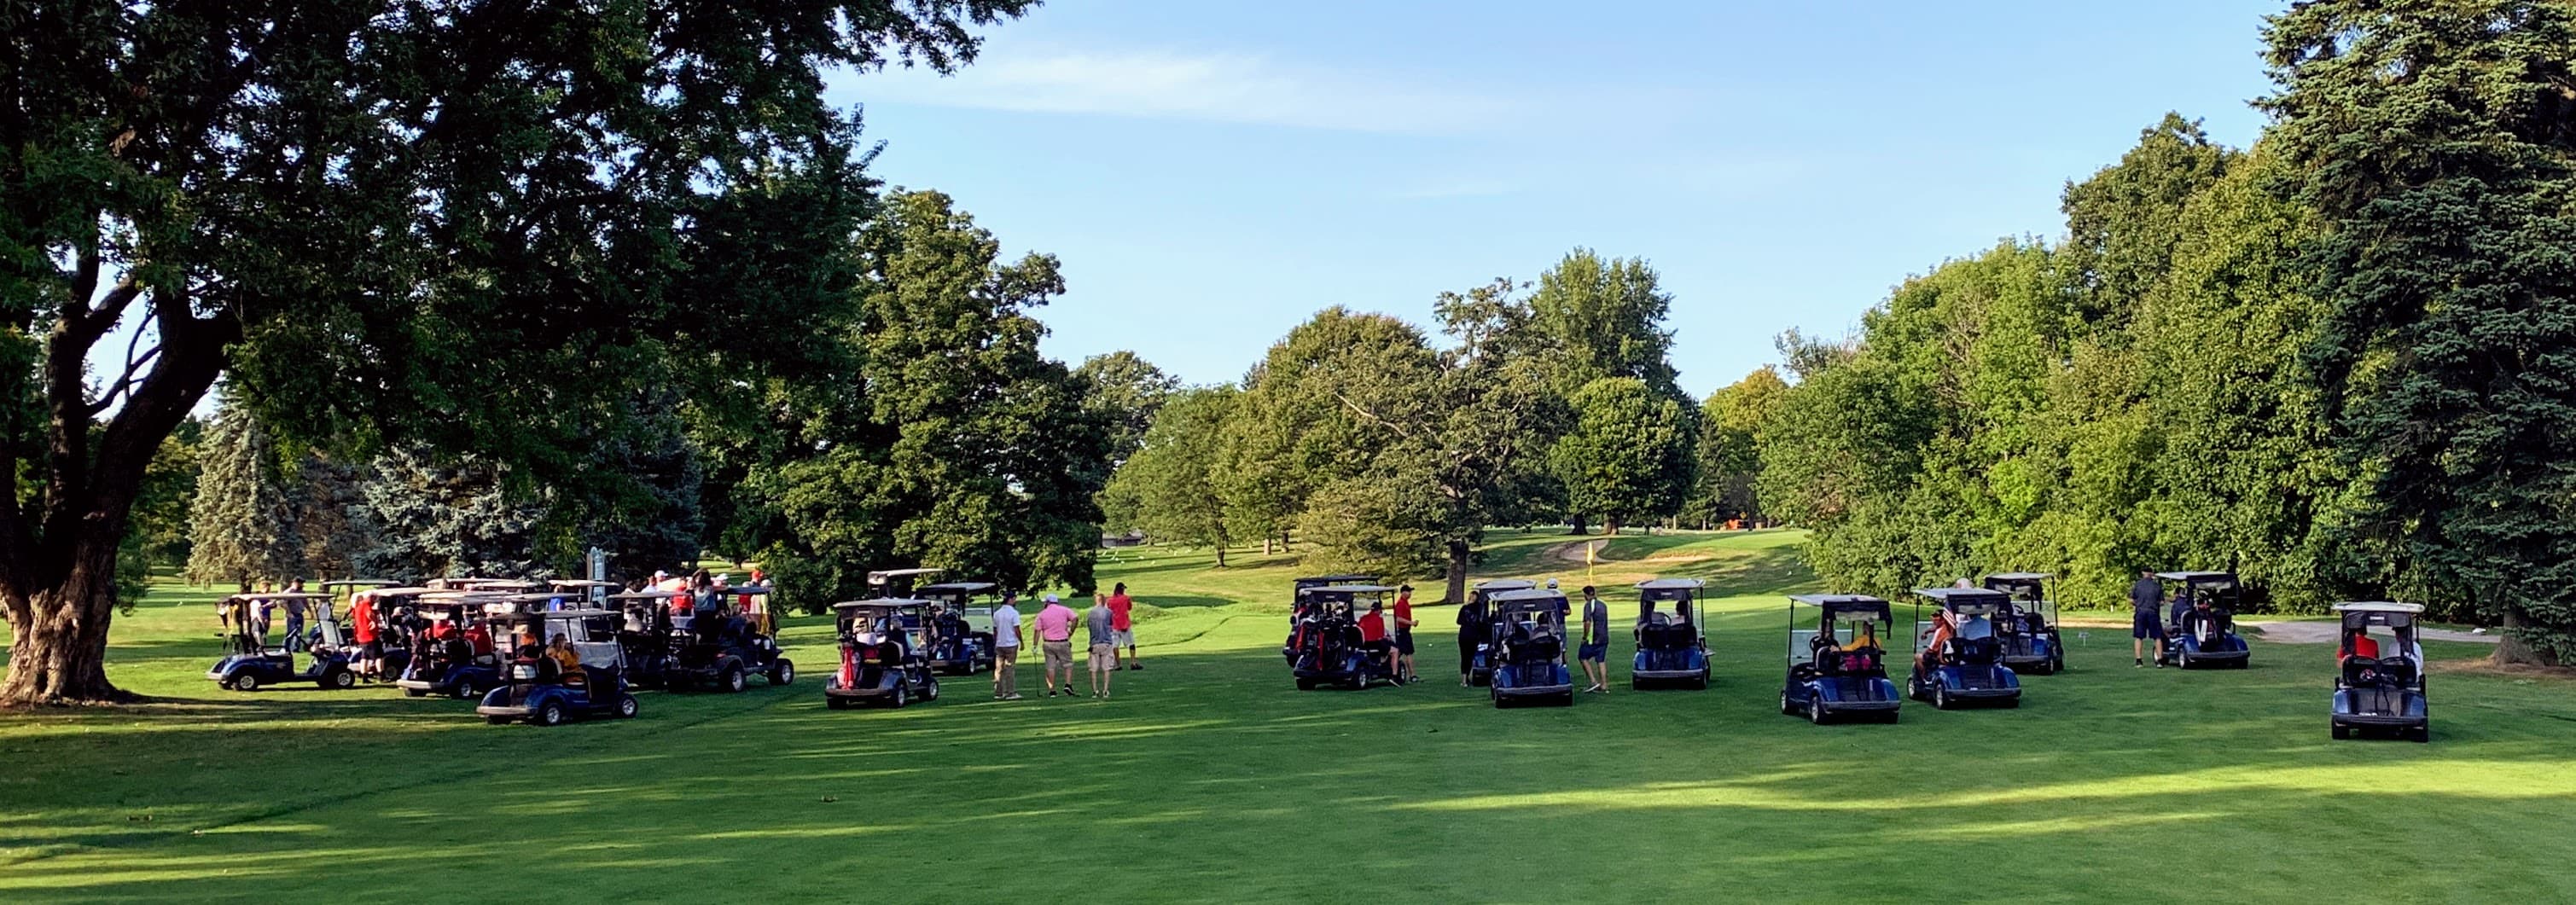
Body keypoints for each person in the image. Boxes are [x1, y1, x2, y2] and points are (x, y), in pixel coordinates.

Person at [1034, 594, 1079, 698]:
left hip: (1049, 643)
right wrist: (1071, 631)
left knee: (1050, 667)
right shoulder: (1064, 610)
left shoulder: (1042, 614)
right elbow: (1075, 618)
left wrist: (1035, 645)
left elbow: (1037, 631)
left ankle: (1052, 690)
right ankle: (1068, 684)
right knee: (1067, 665)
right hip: (1063, 641)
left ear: (1048, 602)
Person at [2129, 570, 2165, 668]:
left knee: (2139, 637)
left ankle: (2139, 660)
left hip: (2140, 612)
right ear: (2152, 574)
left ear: (2143, 574)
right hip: (2153, 613)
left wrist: (2138, 604)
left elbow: (2131, 599)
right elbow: (2162, 602)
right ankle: (2159, 661)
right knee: (2157, 637)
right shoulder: (2157, 586)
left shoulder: (2138, 585)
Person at [1578, 585, 1610, 693]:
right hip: (1604, 637)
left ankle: (1593, 681)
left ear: (1586, 595)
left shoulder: (1588, 605)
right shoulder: (1603, 605)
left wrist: (1585, 636)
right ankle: (1604, 684)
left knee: (1582, 657)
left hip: (1593, 638)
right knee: (1601, 660)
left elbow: (1587, 622)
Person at [991, 592, 1023, 700]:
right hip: (1011, 644)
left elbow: (995, 630)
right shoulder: (1014, 613)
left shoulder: (997, 613)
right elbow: (1016, 629)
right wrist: (1021, 641)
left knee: (999, 669)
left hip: (1000, 643)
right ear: (1011, 599)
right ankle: (1011, 692)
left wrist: (995, 642)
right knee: (1010, 668)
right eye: (1014, 599)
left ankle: (999, 692)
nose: (1015, 601)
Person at [1084, 595, 1117, 699]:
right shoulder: (1108, 612)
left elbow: (1089, 626)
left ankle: (1095, 691)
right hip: (1106, 642)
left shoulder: (1091, 612)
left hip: (1094, 643)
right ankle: (1105, 690)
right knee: (1106, 668)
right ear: (1104, 601)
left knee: (1093, 669)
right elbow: (1112, 624)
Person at [1457, 589, 1491, 687]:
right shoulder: (1480, 608)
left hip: (1463, 635)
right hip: (1474, 635)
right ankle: (1469, 676)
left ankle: (1464, 679)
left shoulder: (1464, 608)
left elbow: (1459, 621)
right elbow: (1482, 623)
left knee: (1464, 657)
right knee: (1471, 656)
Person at [1103, 582, 1141, 670]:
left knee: (1115, 645)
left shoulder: (1109, 600)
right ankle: (1133, 662)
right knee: (1131, 644)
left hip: (1114, 625)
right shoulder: (1126, 598)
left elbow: (1107, 612)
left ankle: (1118, 664)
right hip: (1125, 624)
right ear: (1122, 589)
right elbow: (1129, 608)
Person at [1391, 585, 1418, 683]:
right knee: (1408, 653)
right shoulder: (1400, 604)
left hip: (1405, 630)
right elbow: (1398, 618)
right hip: (1402, 631)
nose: (1410, 594)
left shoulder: (1406, 603)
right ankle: (1412, 675)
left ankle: (1397, 672)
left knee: (1402, 652)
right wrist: (1411, 623)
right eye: (1408, 592)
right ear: (1402, 592)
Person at [1357, 600, 1392, 675]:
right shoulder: (1379, 619)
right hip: (1374, 643)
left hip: (1364, 644)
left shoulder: (1363, 618)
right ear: (1378, 610)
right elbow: (1380, 637)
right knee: (1395, 650)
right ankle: (1393, 674)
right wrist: (1388, 638)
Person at [280, 579, 311, 653]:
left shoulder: (302, 592)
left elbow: (305, 602)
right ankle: (285, 648)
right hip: (292, 614)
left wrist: (310, 612)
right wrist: (289, 612)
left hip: (300, 614)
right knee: (290, 632)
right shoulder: (289, 592)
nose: (302, 585)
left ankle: (296, 648)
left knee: (299, 632)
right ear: (295, 583)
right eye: (300, 583)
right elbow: (283, 603)